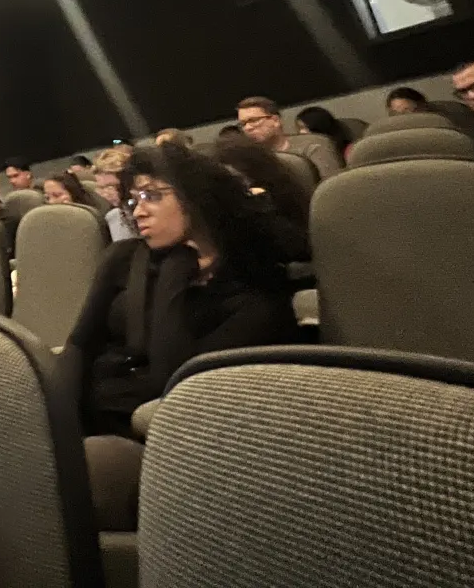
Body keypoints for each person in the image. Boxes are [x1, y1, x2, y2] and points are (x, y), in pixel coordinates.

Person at [61, 143, 299, 435]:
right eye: (134, 200)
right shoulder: (124, 257)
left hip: (160, 434)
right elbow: (79, 344)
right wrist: (59, 424)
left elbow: (173, 380)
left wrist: (176, 268)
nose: (139, 213)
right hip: (87, 414)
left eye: (152, 196)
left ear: (197, 198)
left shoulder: (252, 295)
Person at [212, 132, 312, 261]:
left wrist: (262, 208)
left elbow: (303, 250)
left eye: (238, 179)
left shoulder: (279, 194)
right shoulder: (219, 203)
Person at [235, 96, 342, 178]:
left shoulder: (314, 145)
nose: (248, 128)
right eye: (243, 124)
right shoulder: (249, 158)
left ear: (275, 121)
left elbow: (331, 190)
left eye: (253, 120)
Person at [91, 147, 139, 242]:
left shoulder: (121, 213)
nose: (106, 194)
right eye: (101, 187)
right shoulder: (110, 214)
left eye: (112, 186)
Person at [42, 172, 111, 216]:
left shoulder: (93, 217)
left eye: (57, 195)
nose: (51, 202)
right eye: (47, 198)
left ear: (74, 194)